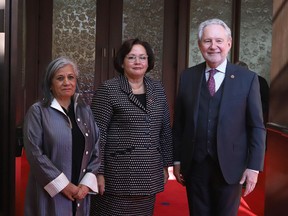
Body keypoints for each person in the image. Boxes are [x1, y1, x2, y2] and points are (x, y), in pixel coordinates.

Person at [173, 18, 266, 216]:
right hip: (195, 165)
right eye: (207, 41)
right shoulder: (188, 77)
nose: (213, 46)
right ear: (199, 45)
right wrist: (177, 160)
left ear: (229, 43)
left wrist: (254, 167)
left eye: (219, 41)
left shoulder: (247, 79)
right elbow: (180, 124)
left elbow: (256, 126)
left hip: (232, 167)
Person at [90, 38, 173, 216]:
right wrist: (98, 172)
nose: (138, 62)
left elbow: (165, 130)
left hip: (148, 175)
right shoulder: (109, 89)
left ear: (149, 62)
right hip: (116, 177)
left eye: (142, 57)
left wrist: (166, 165)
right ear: (121, 61)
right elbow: (97, 135)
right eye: (131, 57)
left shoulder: (157, 89)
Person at [23, 56, 101, 216]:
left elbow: (96, 149)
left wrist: (85, 185)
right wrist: (64, 185)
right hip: (50, 192)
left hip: (81, 192)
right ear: (50, 84)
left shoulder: (85, 111)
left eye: (71, 77)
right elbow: (35, 154)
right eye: (60, 78)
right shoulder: (38, 112)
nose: (67, 82)